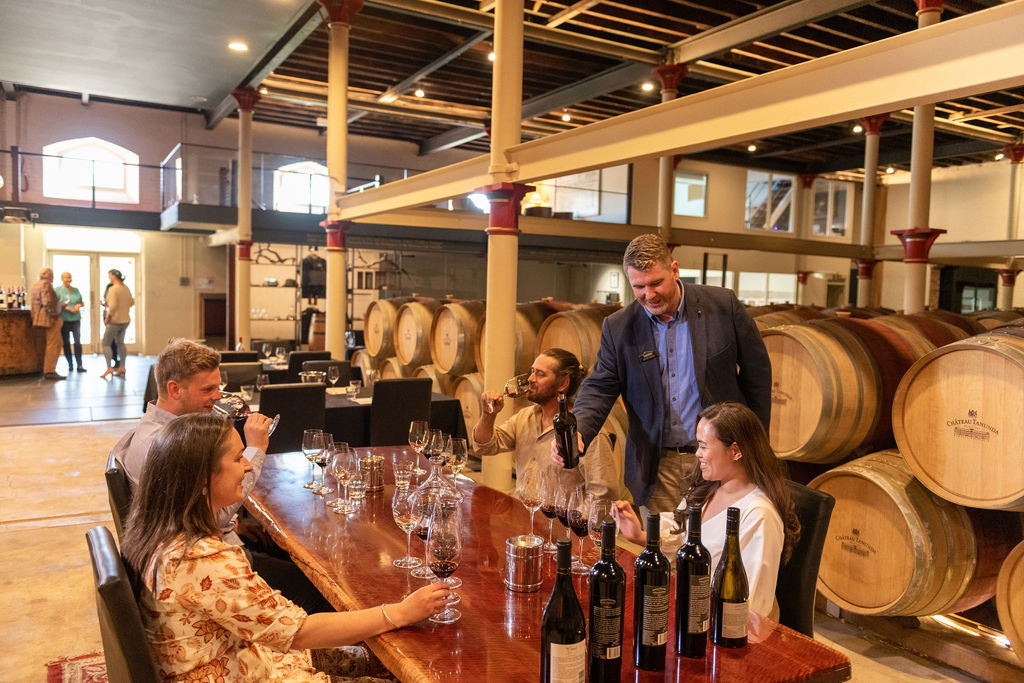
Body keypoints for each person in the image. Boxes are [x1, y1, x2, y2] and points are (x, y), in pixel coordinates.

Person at [122, 413, 448, 681]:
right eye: (238, 458)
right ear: (200, 478)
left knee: (378, 661)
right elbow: (300, 632)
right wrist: (400, 612)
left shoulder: (157, 533)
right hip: (244, 671)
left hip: (238, 656)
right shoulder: (205, 560)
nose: (248, 466)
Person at [556, 233, 771, 515]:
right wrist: (578, 430)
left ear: (675, 270)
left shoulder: (723, 306)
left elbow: (758, 377)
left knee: (720, 546)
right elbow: (600, 387)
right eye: (639, 287)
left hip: (723, 458)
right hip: (660, 466)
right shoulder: (619, 327)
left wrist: (755, 445)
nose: (649, 294)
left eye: (656, 283)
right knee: (663, 551)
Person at [113, 338, 329, 613]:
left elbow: (196, 511)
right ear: (174, 389)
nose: (218, 396)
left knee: (295, 551)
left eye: (219, 387)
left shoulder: (166, 432)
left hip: (207, 545)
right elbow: (215, 516)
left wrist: (232, 525)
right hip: (202, 571)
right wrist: (256, 449)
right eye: (208, 389)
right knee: (320, 587)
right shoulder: (163, 445)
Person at [611, 402, 799, 618]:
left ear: (736, 451)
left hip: (723, 626)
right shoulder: (706, 488)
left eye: (703, 446)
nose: (697, 454)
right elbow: (680, 543)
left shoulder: (759, 515)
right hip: (690, 610)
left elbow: (753, 607)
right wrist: (641, 536)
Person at [472, 348, 619, 501]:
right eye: (532, 371)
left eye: (540, 374)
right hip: (524, 515)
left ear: (563, 383)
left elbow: (604, 495)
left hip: (560, 522)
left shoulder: (585, 432)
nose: (530, 379)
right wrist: (489, 415)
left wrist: (573, 521)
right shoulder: (525, 417)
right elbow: (484, 446)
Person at [29, 267, 66, 380]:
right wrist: (55, 314)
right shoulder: (46, 284)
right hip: (49, 319)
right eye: (52, 275)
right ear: (50, 276)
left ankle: (49, 369)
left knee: (53, 343)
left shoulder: (36, 285)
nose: (53, 277)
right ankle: (49, 370)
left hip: (40, 319)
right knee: (54, 344)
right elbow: (47, 302)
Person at [101, 268, 133, 379]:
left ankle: (109, 367)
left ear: (113, 276)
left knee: (106, 343)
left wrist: (107, 317)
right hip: (125, 320)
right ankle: (122, 367)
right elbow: (131, 302)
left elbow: (112, 306)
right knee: (120, 343)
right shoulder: (126, 288)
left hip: (115, 321)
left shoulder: (114, 289)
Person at [54, 271, 86, 373]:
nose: (68, 279)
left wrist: (78, 306)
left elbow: (81, 302)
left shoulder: (76, 290)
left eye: (69, 277)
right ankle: (70, 364)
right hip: (64, 319)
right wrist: (67, 308)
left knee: (77, 342)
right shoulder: (58, 290)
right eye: (66, 277)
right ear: (62, 279)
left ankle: (80, 365)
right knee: (66, 342)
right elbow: (55, 304)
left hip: (76, 319)